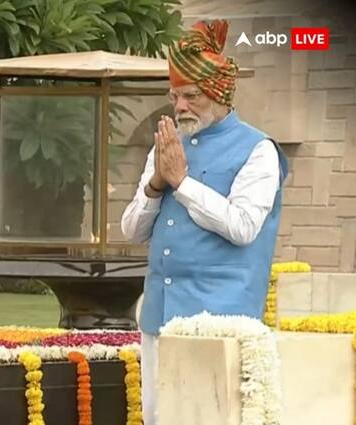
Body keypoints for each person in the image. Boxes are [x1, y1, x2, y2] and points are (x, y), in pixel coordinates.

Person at [120, 19, 288, 425]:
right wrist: (156, 185)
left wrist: (182, 182)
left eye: (191, 96)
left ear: (219, 93)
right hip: (159, 314)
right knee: (158, 418)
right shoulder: (167, 145)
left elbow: (244, 226)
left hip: (220, 317)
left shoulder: (258, 149)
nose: (179, 107)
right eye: (174, 96)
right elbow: (131, 232)